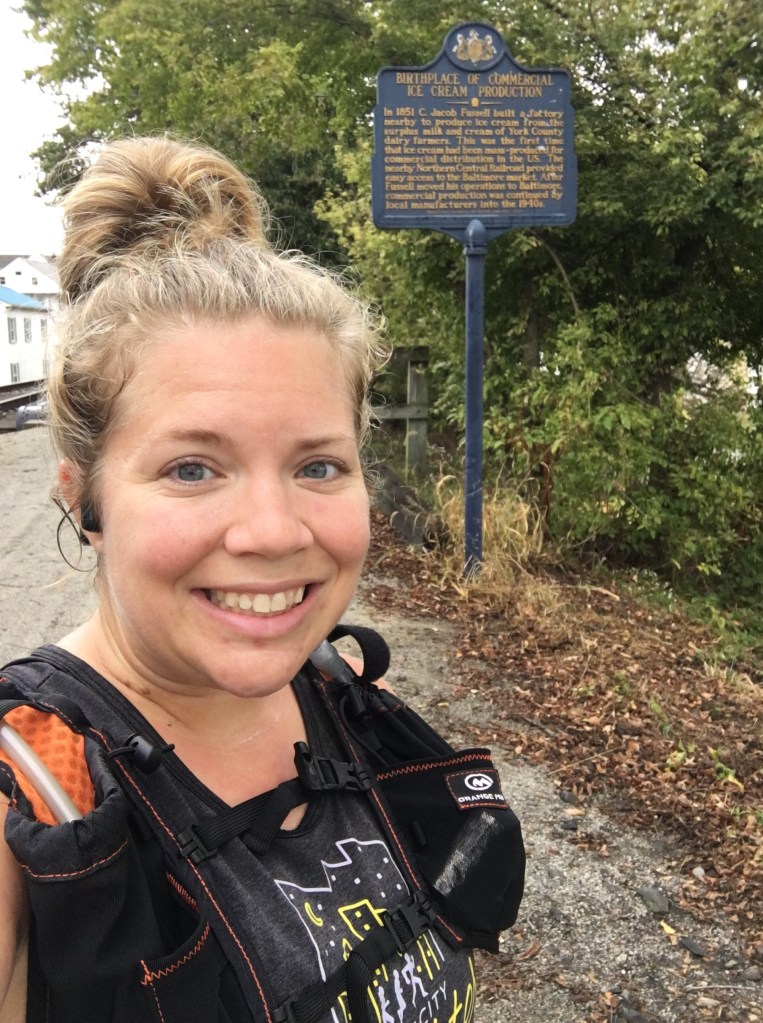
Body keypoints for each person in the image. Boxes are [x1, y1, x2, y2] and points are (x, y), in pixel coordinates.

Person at [0, 137, 521, 1023]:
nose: (276, 532)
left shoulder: (345, 696)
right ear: (83, 497)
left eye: (317, 467)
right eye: (193, 469)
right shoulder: (36, 805)